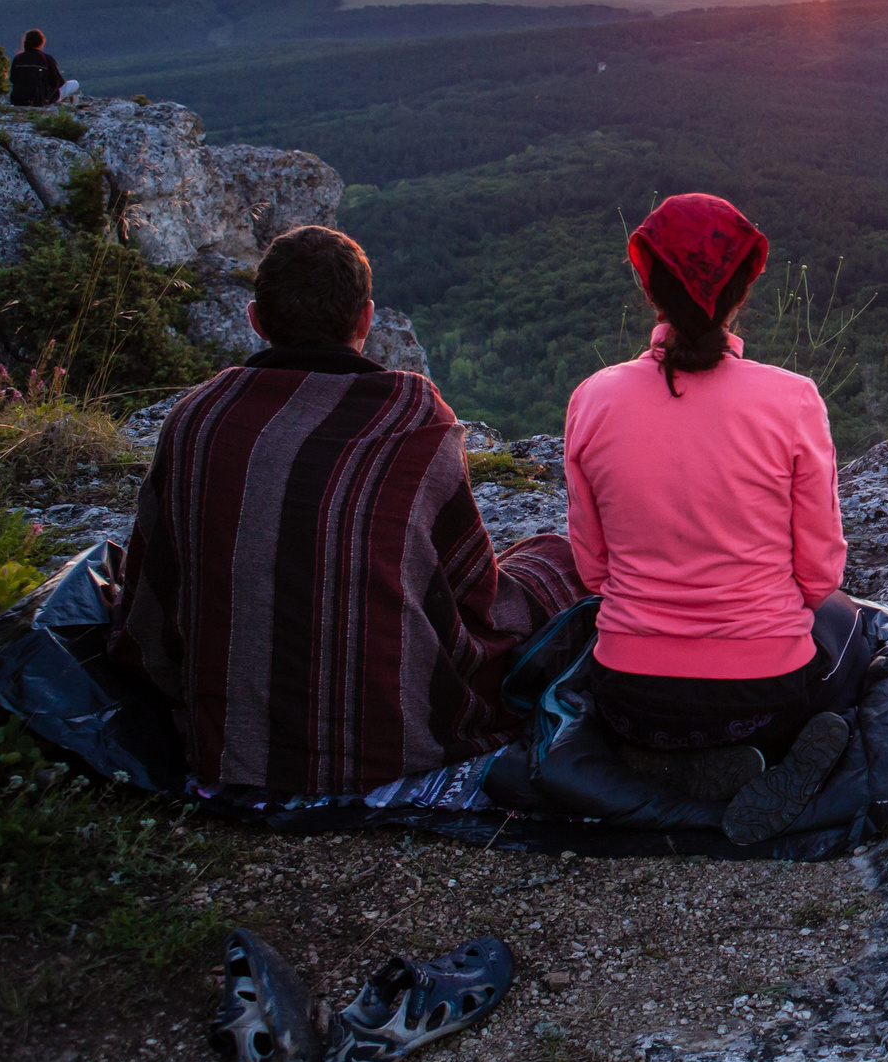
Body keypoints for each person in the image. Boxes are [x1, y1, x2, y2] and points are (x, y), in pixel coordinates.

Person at [111, 226, 584, 798]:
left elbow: (151, 590)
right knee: (557, 560)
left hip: (228, 744)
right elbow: (471, 591)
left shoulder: (197, 418)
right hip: (395, 740)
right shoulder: (411, 414)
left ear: (256, 319)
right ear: (365, 319)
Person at [563, 192, 857, 844]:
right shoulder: (793, 400)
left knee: (643, 684)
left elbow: (592, 573)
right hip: (764, 699)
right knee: (850, 626)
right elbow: (817, 576)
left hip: (630, 699)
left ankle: (660, 763)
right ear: (743, 289)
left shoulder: (592, 398)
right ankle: (785, 755)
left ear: (648, 284)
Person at [8, 28, 76, 106]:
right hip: (42, 99)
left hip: (18, 100)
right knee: (74, 83)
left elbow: (12, 79)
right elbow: (58, 82)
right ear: (41, 42)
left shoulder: (18, 58)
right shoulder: (46, 58)